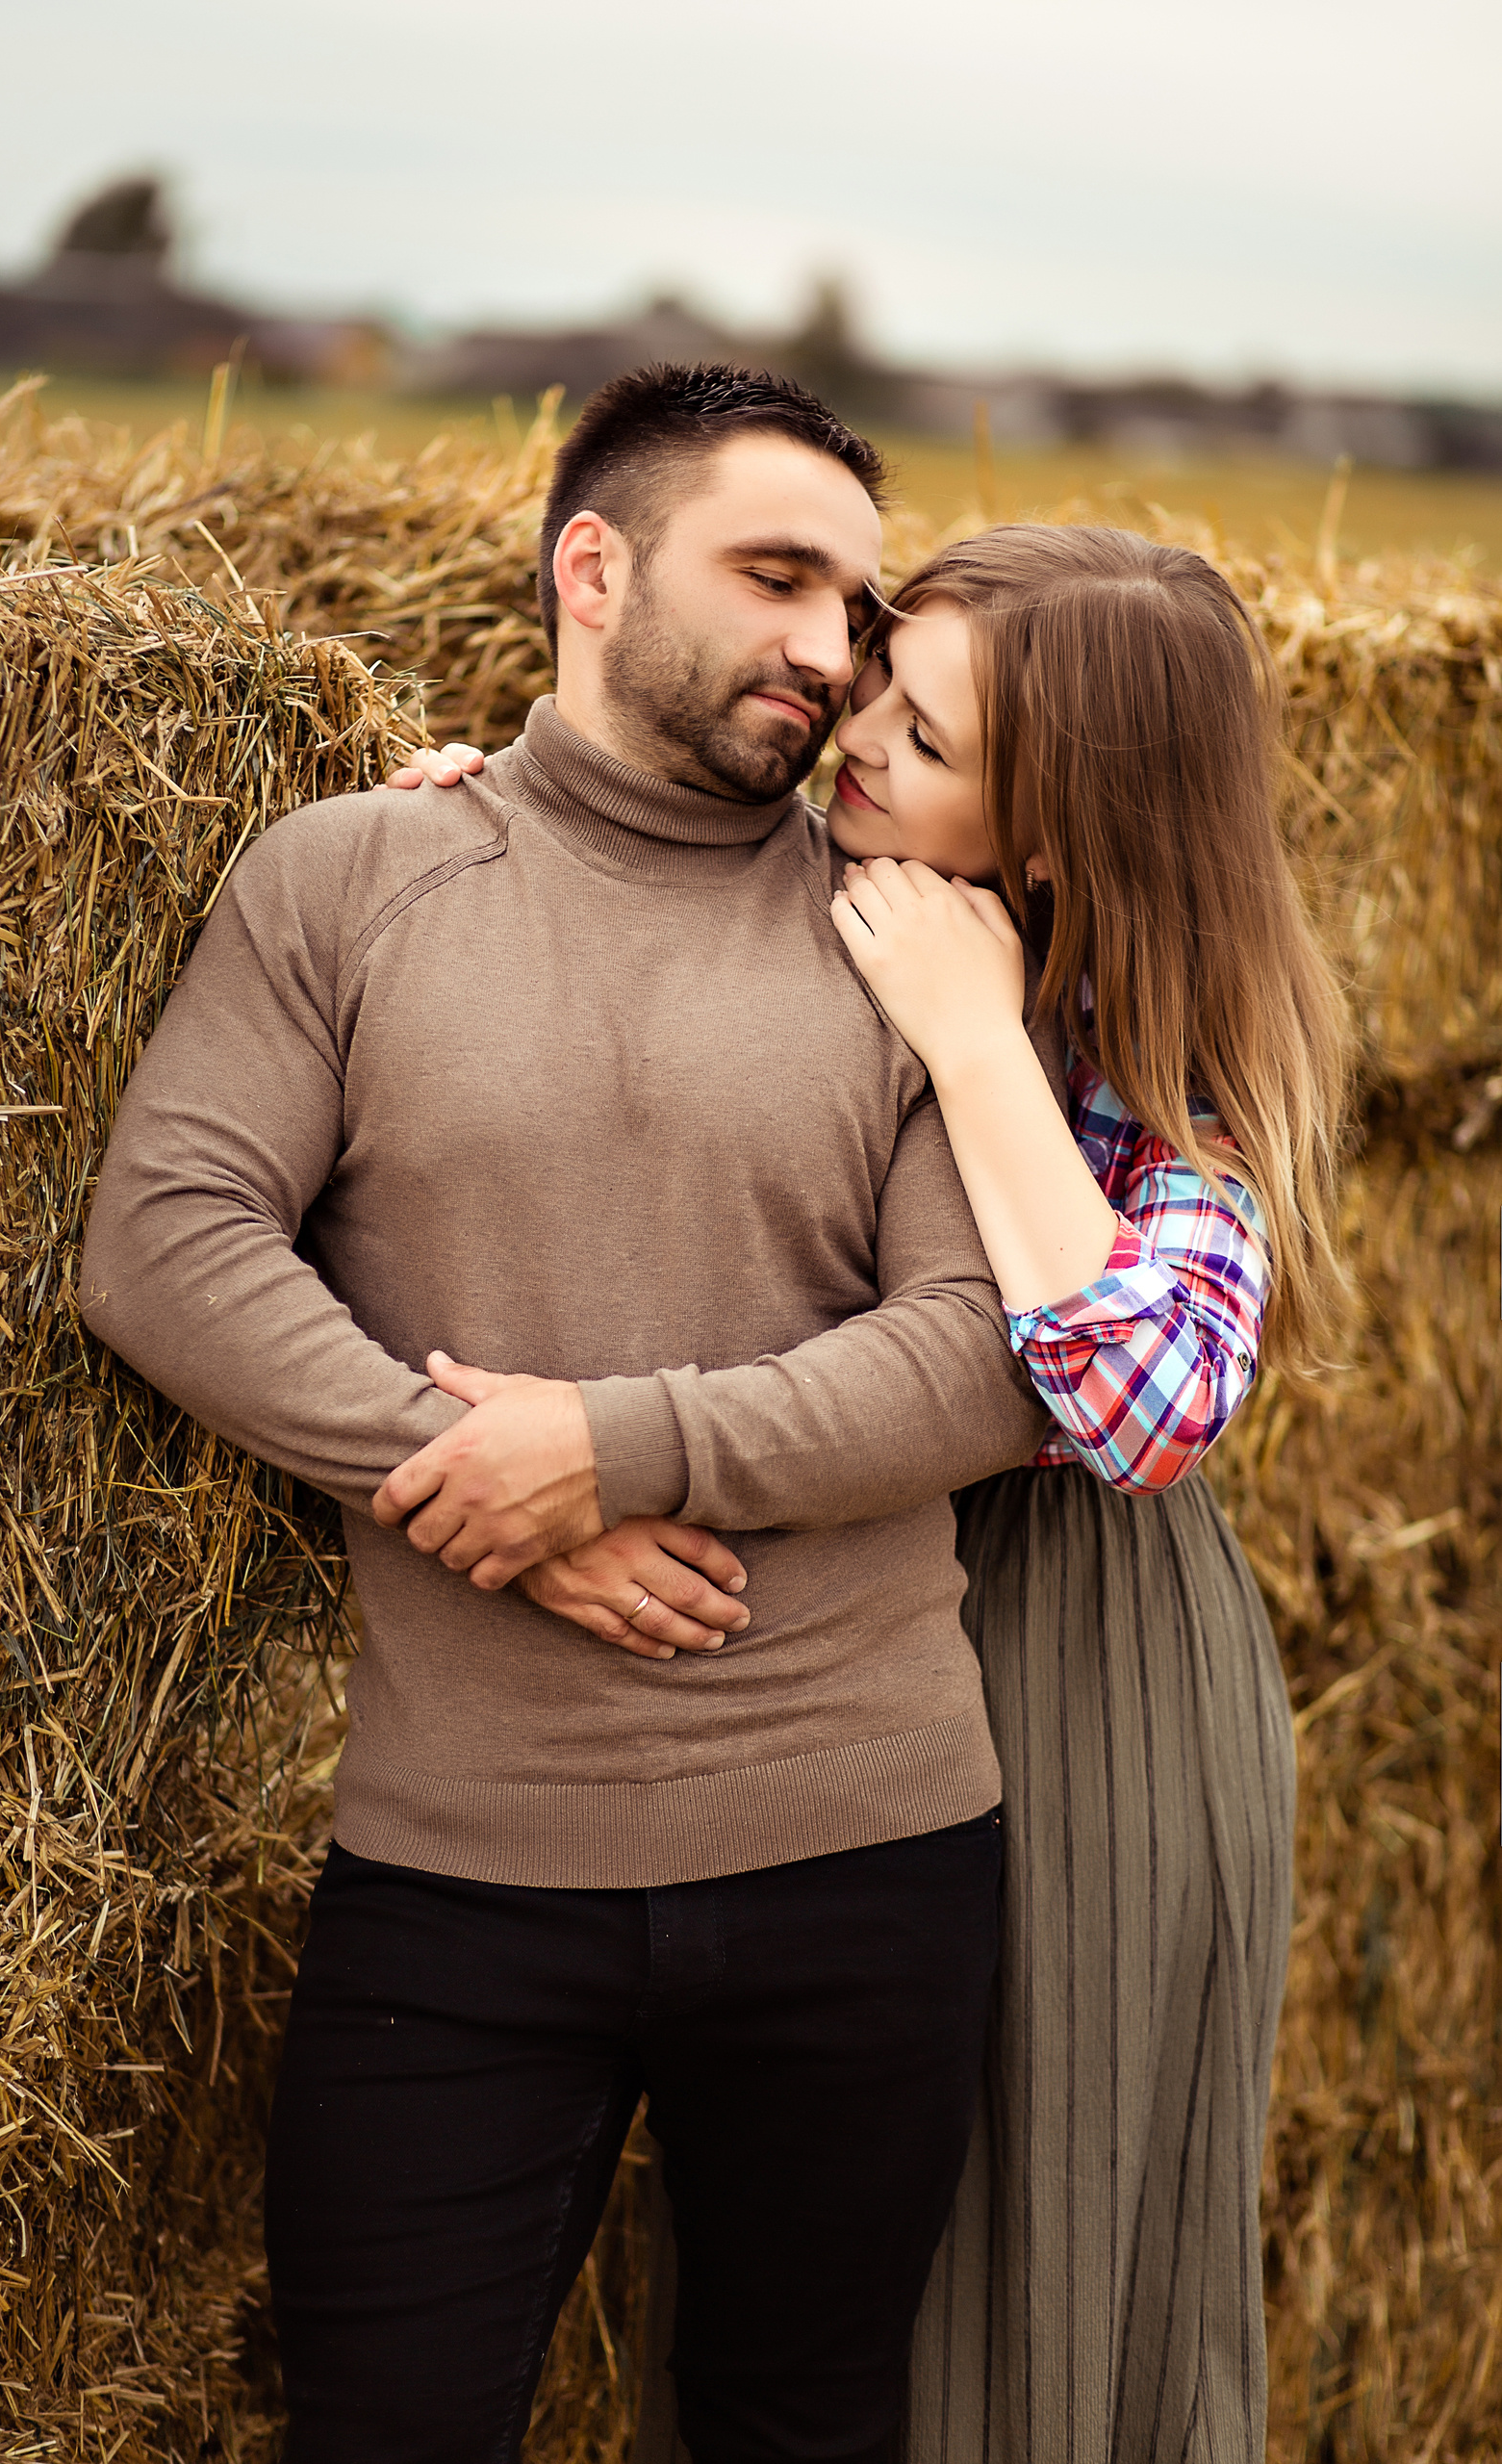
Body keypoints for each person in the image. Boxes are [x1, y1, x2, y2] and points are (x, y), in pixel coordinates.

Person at [77, 365, 1064, 2464]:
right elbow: (167, 1240)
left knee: (799, 2423)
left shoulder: (903, 938)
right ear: (590, 568)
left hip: (868, 1851)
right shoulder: (350, 874)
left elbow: (986, 1351)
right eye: (776, 574)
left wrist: (611, 1448)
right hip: (459, 1866)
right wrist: (487, 1492)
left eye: (857, 604)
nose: (832, 648)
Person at [412, 524, 1349, 2461]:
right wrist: (460, 845)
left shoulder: (1150, 1050)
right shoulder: (804, 857)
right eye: (868, 672)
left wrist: (970, 1035)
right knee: (796, 2286)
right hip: (811, 1627)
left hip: (1063, 1663)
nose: (844, 734)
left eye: (916, 737)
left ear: (1056, 837)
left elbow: (1145, 1405)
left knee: (1013, 2258)